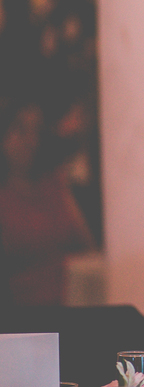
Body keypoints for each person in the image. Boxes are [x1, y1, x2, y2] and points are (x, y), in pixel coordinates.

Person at [0, 101, 94, 305]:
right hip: (24, 309)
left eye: (36, 131)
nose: (31, 141)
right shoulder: (5, 198)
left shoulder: (54, 185)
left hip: (73, 301)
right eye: (20, 129)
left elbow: (87, 248)